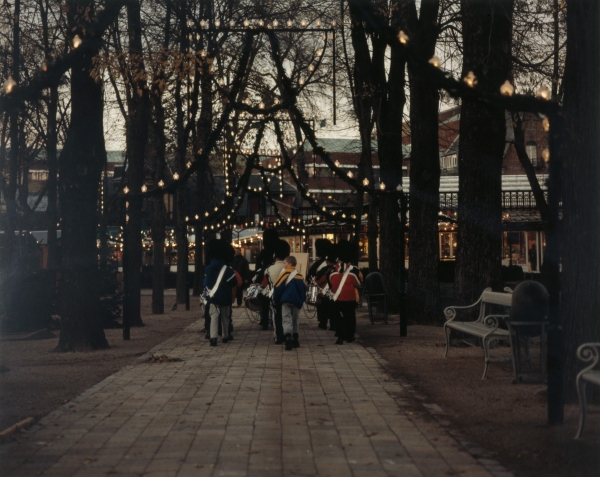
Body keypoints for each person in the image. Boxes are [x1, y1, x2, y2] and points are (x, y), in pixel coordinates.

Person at [203, 239, 238, 347]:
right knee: (225, 316)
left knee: (213, 316)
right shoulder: (227, 269)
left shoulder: (208, 269)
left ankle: (213, 338)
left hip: (212, 297)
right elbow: (233, 282)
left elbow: (205, 283)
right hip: (224, 296)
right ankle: (225, 335)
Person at [328, 240, 362, 345]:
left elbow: (330, 284)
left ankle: (340, 336)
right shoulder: (354, 270)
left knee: (338, 317)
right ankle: (350, 335)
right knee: (350, 316)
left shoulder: (332, 271)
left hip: (337, 298)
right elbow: (358, 283)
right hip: (350, 297)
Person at [273, 256, 307, 350]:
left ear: (290, 264)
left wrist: (275, 300)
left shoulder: (284, 274)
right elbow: (304, 289)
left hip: (286, 300)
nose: (284, 265)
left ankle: (288, 338)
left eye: (285, 263)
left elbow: (277, 287)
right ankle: (296, 339)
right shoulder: (300, 275)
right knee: (295, 319)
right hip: (297, 301)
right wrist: (302, 300)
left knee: (286, 319)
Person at [262, 240, 291, 344]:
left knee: (276, 317)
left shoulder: (269, 269)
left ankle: (278, 336)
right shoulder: (290, 268)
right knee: (288, 317)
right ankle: (288, 334)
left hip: (275, 295)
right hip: (288, 295)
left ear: (276, 256)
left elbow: (264, 284)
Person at [307, 239, 332, 330]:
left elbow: (310, 276)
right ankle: (332, 323)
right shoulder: (331, 261)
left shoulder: (318, 264)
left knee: (322, 307)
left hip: (321, 288)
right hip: (331, 288)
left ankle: (323, 322)